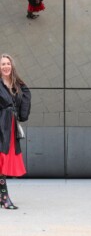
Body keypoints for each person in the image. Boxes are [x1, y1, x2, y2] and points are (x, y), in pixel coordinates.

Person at [0, 53, 31, 209]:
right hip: (0, 124)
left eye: (8, 63)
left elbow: (26, 95)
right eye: (3, 64)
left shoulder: (16, 84)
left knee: (3, 160)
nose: (6, 66)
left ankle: (2, 197)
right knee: (1, 160)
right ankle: (5, 197)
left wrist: (21, 115)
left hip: (10, 125)